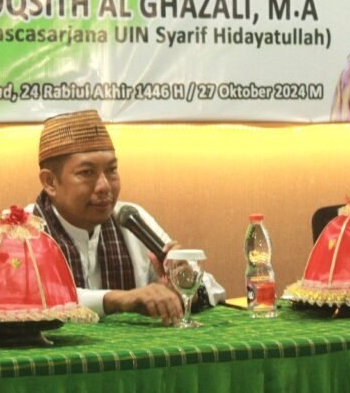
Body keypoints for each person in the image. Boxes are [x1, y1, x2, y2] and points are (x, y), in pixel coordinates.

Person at [29, 110, 225, 324]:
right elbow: (30, 298)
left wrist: (184, 286)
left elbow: (212, 288)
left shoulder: (129, 219)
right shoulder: (21, 231)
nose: (104, 186)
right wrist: (119, 300)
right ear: (50, 182)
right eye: (86, 173)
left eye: (111, 170)